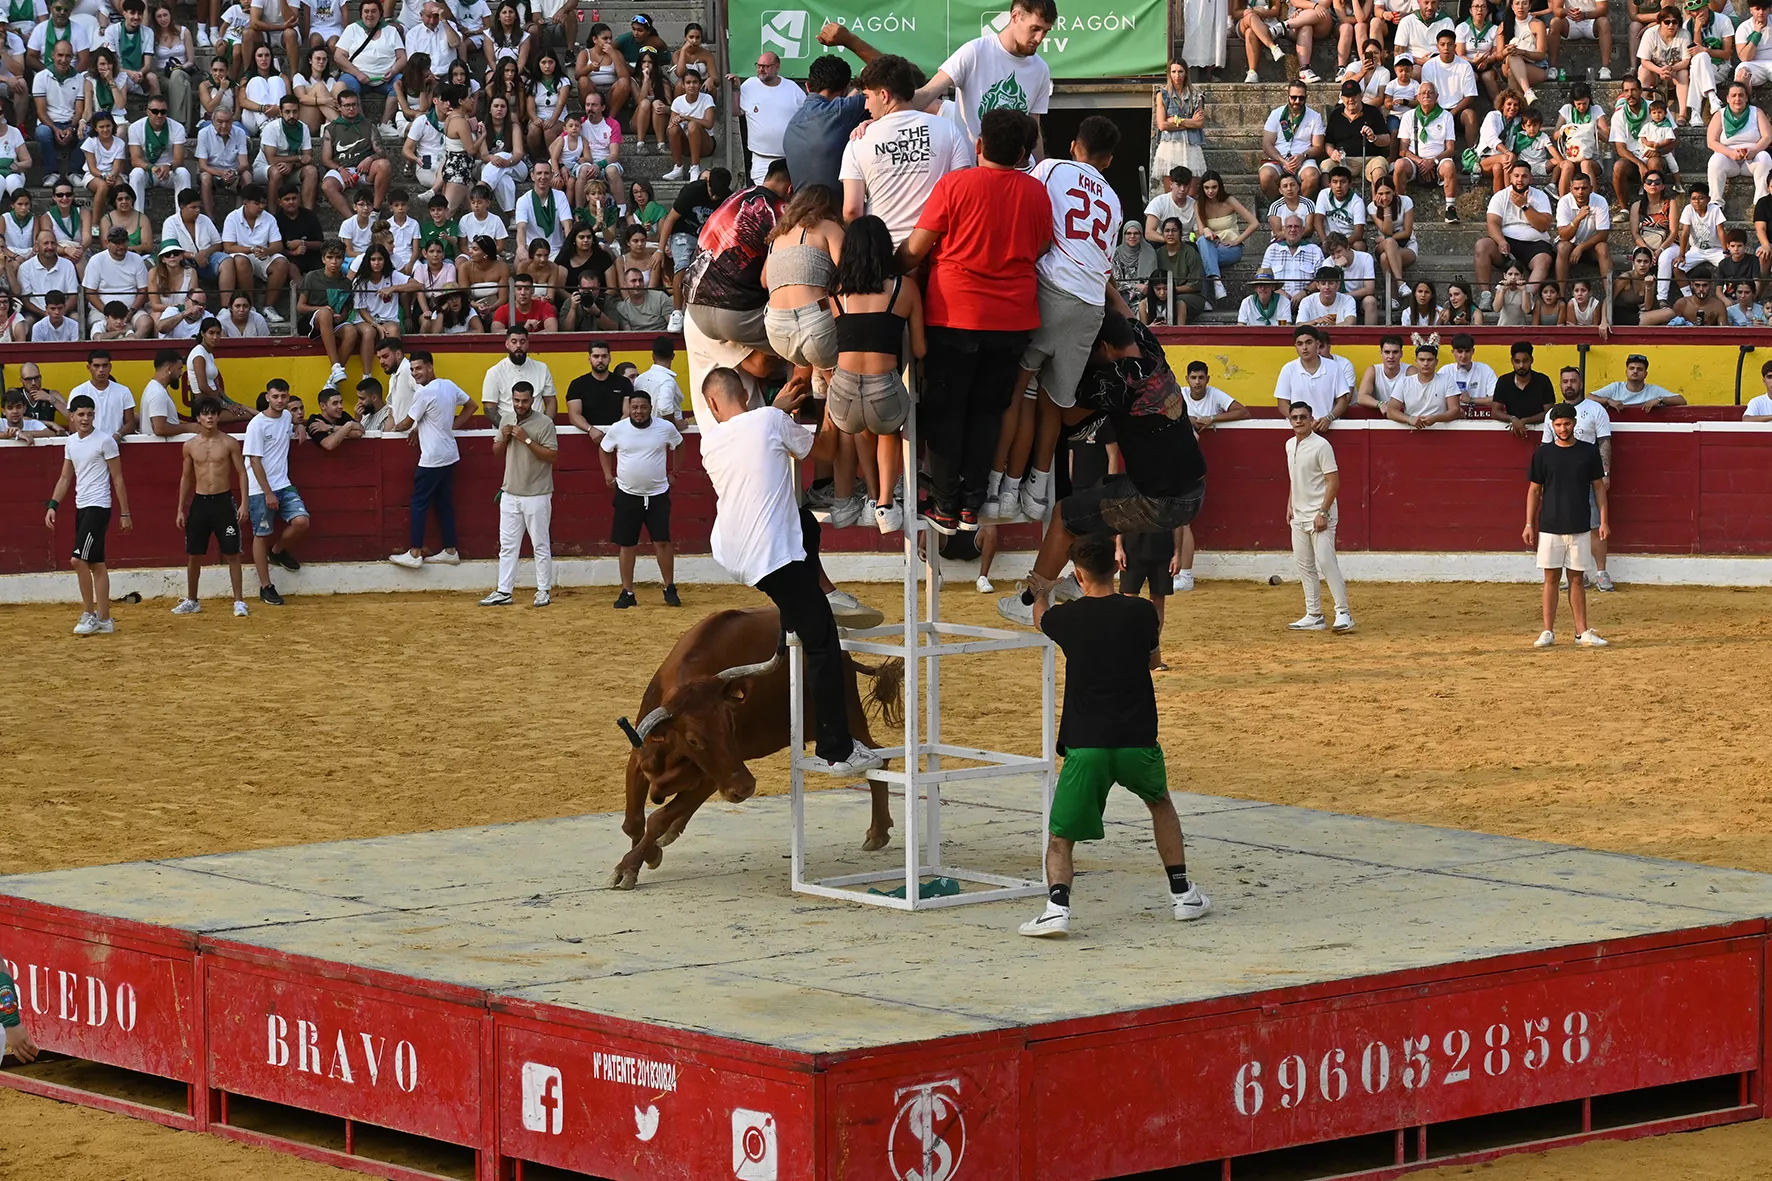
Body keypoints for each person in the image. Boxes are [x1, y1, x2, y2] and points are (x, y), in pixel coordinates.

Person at [1017, 533, 1209, 938]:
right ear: (1116, 567)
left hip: (1086, 742)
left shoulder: (1067, 619)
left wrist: (1042, 591)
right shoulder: (1141, 612)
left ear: (1078, 575)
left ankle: (1057, 907)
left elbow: (1040, 619)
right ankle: (1182, 894)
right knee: (1161, 805)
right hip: (1137, 737)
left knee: (1061, 836)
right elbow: (1153, 658)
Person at [698, 365, 883, 775]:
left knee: (806, 524)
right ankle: (836, 748)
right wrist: (833, 401)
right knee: (824, 644)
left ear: (712, 404)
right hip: (774, 558)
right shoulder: (768, 420)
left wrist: (777, 412)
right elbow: (828, 449)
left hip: (736, 554)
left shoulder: (711, 442)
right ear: (745, 396)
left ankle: (801, 612)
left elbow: (757, 432)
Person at [1000, 312, 1208, 628]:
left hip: (1161, 498)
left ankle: (1030, 598)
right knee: (1098, 498)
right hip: (1192, 485)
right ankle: (1078, 579)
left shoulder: (1115, 380)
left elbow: (1067, 415)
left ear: (1107, 348)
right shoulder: (1147, 343)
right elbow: (1119, 306)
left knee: (1065, 515)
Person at [897, 109, 1051, 533]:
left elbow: (916, 248)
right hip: (1013, 319)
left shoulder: (955, 184)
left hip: (954, 314)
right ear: (1022, 152)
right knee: (988, 411)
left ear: (979, 145)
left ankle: (946, 504)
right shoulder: (1036, 192)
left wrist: (886, 268)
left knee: (946, 411)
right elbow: (1039, 248)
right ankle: (971, 504)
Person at [996, 115, 1124, 526]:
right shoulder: (1116, 200)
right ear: (1107, 160)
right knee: (1055, 400)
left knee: (1018, 388)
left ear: (1074, 146)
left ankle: (1001, 484)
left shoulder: (1051, 167)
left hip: (1051, 287)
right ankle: (1038, 486)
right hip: (1089, 302)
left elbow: (1021, 196)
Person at [839, 54, 973, 247]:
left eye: (867, 97)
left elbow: (852, 210)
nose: (866, 105)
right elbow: (962, 192)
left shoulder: (859, 140)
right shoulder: (948, 129)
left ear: (884, 96)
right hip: (937, 248)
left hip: (883, 251)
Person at [45, 394, 133, 636]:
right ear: (71, 416)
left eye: (89, 414)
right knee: (96, 563)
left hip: (99, 506)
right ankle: (105, 619)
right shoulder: (71, 442)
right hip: (82, 506)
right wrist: (53, 504)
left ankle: (89, 614)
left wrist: (125, 512)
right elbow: (65, 477)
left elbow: (118, 478)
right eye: (81, 414)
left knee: (77, 560)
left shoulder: (105, 441)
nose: (85, 418)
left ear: (94, 415)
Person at [910, 0, 1053, 143]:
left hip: (1013, 164)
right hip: (968, 162)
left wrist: (1039, 165)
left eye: (1045, 31)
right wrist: (892, 110)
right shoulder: (974, 52)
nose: (1039, 38)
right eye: (1035, 29)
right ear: (1015, 16)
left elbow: (1034, 133)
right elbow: (927, 93)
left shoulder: (1041, 69)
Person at [1527, 402, 1610, 648]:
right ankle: (1548, 631)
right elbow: (1533, 490)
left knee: (1576, 579)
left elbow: (1599, 488)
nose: (1563, 428)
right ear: (1552, 426)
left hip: (1579, 525)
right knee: (1550, 578)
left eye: (1566, 424)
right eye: (1558, 425)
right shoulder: (1543, 454)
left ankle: (1581, 631)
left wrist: (1603, 521)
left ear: (1575, 423)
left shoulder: (1588, 452)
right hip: (1550, 525)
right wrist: (1528, 524)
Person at [600, 389, 682, 609]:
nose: (638, 411)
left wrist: (675, 472)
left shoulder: (665, 428)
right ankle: (627, 592)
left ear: (650, 408)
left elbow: (679, 444)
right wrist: (608, 474)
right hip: (628, 494)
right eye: (634, 407)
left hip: (658, 494)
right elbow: (604, 448)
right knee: (627, 545)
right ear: (629, 408)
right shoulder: (618, 429)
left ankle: (670, 587)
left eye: (643, 407)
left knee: (662, 542)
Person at [390, 350, 471, 568]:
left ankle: (415, 552)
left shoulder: (423, 393)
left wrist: (392, 428)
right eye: (413, 369)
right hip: (450, 453)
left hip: (433, 457)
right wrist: (452, 427)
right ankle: (450, 550)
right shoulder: (449, 385)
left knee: (419, 503)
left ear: (430, 367)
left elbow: (406, 423)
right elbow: (471, 406)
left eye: (419, 368)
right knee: (443, 502)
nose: (415, 373)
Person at [480, 379, 557, 608]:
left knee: (540, 544)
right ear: (511, 399)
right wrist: (504, 437)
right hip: (510, 492)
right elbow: (496, 452)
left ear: (532, 400)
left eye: (524, 401)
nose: (520, 405)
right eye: (516, 400)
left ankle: (543, 590)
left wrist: (526, 439)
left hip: (537, 493)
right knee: (508, 545)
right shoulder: (506, 418)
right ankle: (504, 590)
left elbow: (552, 456)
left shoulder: (544, 423)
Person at [172, 396, 250, 617]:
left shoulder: (229, 443)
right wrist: (180, 508)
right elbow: (186, 477)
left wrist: (244, 503)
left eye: (213, 413)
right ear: (198, 417)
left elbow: (242, 473)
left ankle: (239, 601)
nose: (209, 417)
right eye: (205, 413)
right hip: (200, 503)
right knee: (194, 554)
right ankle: (192, 600)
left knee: (232, 553)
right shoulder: (190, 446)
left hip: (223, 502)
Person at [1283, 400, 1354, 633]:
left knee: (1325, 561)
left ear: (1312, 420)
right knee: (1304, 565)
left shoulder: (1322, 446)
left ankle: (1343, 612)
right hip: (1299, 515)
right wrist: (1289, 504)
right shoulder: (1289, 445)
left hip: (1320, 514)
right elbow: (1295, 478)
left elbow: (1333, 481)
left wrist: (1323, 511)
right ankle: (1314, 614)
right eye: (1295, 418)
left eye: (1304, 417)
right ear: (1290, 420)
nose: (1299, 421)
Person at [1543, 365, 1615, 590]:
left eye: (1573, 381)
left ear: (1580, 383)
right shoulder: (1552, 414)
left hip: (1588, 476)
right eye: (1565, 381)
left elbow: (1604, 441)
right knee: (1567, 527)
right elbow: (1547, 448)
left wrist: (1605, 473)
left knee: (1594, 525)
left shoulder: (1595, 409)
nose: (1569, 385)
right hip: (1562, 481)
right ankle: (1577, 574)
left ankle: (1602, 572)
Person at [244, 378, 308, 605]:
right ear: (267, 397)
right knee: (261, 535)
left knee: (301, 521)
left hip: (283, 483)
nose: (280, 401)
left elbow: (296, 421)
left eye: (284, 396)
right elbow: (254, 461)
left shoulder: (288, 418)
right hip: (260, 489)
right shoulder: (256, 425)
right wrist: (268, 492)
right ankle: (265, 586)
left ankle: (278, 550)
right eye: (276, 396)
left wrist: (299, 425)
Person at [1476, 161, 1555, 297]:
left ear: (1531, 178)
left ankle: (1527, 297)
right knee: (1482, 246)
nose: (1520, 180)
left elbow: (1543, 225)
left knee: (1544, 260)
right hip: (1507, 242)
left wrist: (1524, 206)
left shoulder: (1540, 196)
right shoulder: (1500, 196)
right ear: (1511, 177)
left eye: (1524, 176)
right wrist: (1500, 241)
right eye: (1516, 176)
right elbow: (1492, 223)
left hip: (1535, 243)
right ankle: (1486, 295)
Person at [734, 50, 804, 185]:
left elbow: (806, 116)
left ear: (777, 67)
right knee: (763, 199)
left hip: (788, 159)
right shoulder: (749, 85)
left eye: (765, 66)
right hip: (761, 159)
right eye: (759, 65)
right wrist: (735, 89)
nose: (761, 69)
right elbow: (736, 111)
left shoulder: (792, 88)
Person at [1394, 82, 1461, 223]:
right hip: (1415, 161)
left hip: (1438, 161)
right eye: (1423, 93)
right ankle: (1399, 206)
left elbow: (1450, 149)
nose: (1426, 95)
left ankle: (1450, 209)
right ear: (1417, 97)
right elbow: (1403, 149)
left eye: (1430, 92)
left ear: (1436, 96)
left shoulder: (1446, 116)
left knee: (1449, 166)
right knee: (1399, 165)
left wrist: (1433, 161)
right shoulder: (1409, 116)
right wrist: (1421, 162)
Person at [1273, 325, 1351, 429]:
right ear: (1295, 346)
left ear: (1317, 344)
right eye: (1300, 344)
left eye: (1309, 342)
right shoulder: (1288, 369)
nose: (1304, 348)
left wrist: (1329, 418)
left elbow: (1342, 401)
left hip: (1329, 428)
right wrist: (1302, 420)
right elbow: (1282, 404)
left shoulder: (1333, 367)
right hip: (1299, 430)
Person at [1259, 82, 1328, 200]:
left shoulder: (1314, 116)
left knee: (1312, 176)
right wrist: (1282, 161)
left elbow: (1318, 146)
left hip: (1303, 159)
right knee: (1265, 176)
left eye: (1301, 98)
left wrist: (1303, 156)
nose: (1297, 101)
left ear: (1306, 97)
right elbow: (1267, 144)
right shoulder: (1276, 114)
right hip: (1279, 159)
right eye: (1293, 97)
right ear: (1288, 96)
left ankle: (1300, 207)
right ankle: (1281, 207)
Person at [564, 338, 631, 440]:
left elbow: (627, 412)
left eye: (604, 356)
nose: (600, 360)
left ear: (610, 358)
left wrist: (614, 431)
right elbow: (574, 415)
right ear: (589, 359)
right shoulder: (577, 384)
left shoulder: (624, 383)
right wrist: (590, 429)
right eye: (596, 356)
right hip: (587, 437)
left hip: (619, 436)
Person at [1385, 341, 1461, 428]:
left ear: (1436, 362)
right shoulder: (1404, 382)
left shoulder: (1447, 380)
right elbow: (1391, 411)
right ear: (1416, 361)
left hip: (1441, 430)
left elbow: (1455, 410)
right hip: (1411, 430)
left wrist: (1436, 418)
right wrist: (1409, 419)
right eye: (1422, 360)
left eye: (1430, 360)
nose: (1425, 364)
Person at [1555, 171, 1613, 285]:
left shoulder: (1600, 201)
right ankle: (1560, 297)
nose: (1580, 192)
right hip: (1570, 245)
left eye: (1584, 188)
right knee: (1563, 247)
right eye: (1576, 188)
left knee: (1603, 247)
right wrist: (1578, 219)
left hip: (1590, 247)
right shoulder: (1564, 201)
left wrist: (1581, 247)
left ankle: (1609, 297)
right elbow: (1563, 235)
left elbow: (1603, 234)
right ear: (1570, 189)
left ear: (1591, 188)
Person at [1490, 341, 1556, 434]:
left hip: (1541, 432)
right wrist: (1513, 419)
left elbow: (1549, 413)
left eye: (1525, 361)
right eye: (1517, 361)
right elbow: (1495, 411)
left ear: (1532, 360)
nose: (1521, 366)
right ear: (1512, 361)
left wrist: (1524, 421)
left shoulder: (1543, 381)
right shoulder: (1504, 381)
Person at [70, 349, 137, 441]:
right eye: (96, 366)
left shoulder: (123, 391)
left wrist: (118, 435)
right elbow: (73, 424)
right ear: (89, 368)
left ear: (110, 366)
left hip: (116, 445)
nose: (101, 370)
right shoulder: (78, 391)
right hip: (87, 444)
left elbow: (130, 423)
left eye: (105, 365)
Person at [1590, 352, 1687, 409]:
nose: (1635, 371)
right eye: (1631, 368)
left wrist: (1660, 399)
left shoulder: (1653, 390)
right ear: (1626, 372)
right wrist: (1608, 400)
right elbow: (1588, 398)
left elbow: (1682, 401)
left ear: (1646, 374)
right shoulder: (1616, 387)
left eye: (1639, 369)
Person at [136, 348, 187, 438]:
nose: (181, 373)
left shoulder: (156, 389)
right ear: (169, 368)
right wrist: (189, 427)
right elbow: (160, 429)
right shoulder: (157, 393)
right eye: (179, 369)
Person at [633, 336, 683, 424]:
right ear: (673, 356)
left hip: (642, 426)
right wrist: (675, 424)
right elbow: (665, 407)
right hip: (663, 430)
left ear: (653, 356)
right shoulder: (667, 380)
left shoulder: (640, 379)